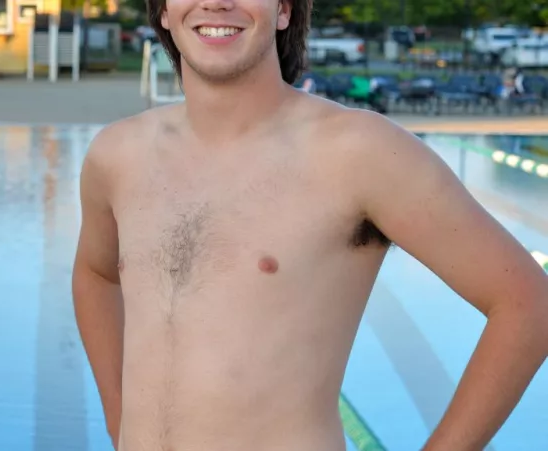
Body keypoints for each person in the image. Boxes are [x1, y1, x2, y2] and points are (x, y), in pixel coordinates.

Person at [71, 0, 548, 449]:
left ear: (283, 9)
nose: (216, 2)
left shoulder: (358, 153)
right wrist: (119, 419)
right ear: (163, 11)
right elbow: (95, 274)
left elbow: (528, 302)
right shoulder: (118, 157)